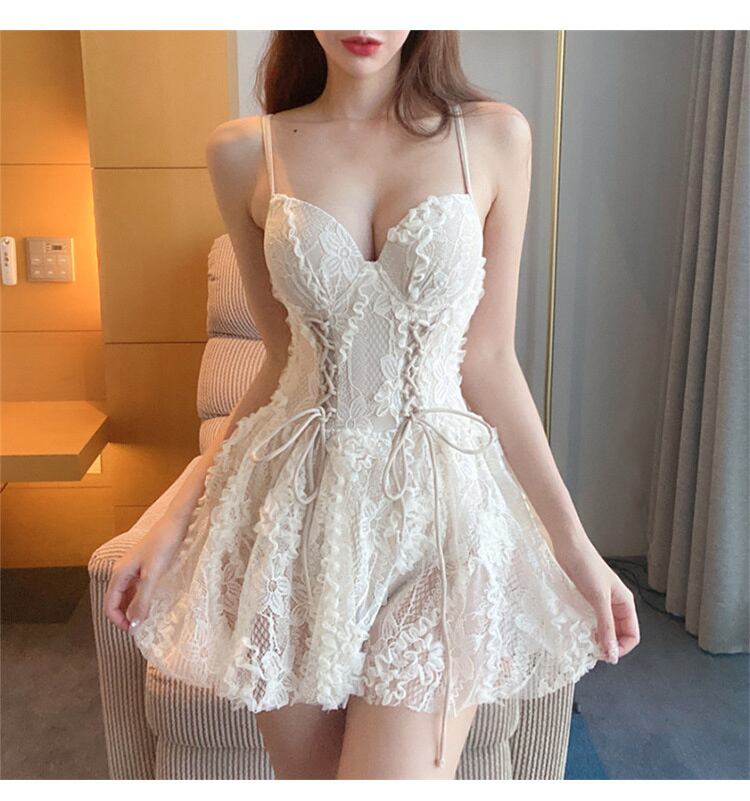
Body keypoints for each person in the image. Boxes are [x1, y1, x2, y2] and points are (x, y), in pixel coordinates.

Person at [103, 30, 640, 780]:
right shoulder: (244, 151)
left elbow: (488, 359)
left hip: (440, 518)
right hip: (293, 518)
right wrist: (172, 519)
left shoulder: (495, 137)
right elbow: (282, 362)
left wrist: (577, 550)